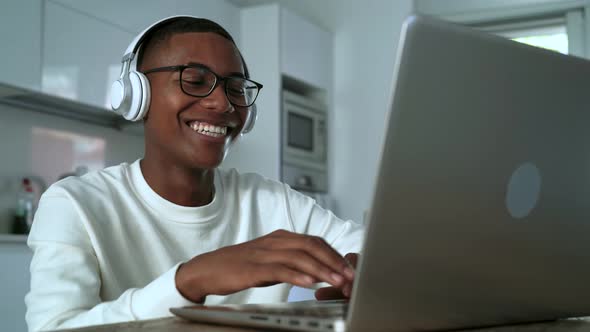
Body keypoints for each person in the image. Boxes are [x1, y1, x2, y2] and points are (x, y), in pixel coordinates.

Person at [25, 16, 364, 332]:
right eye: (194, 81)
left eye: (235, 88)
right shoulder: (75, 204)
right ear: (136, 95)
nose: (223, 103)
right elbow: (54, 327)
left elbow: (370, 250)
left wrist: (366, 272)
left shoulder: (275, 201)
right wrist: (188, 281)